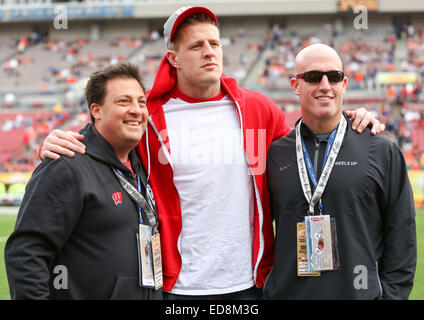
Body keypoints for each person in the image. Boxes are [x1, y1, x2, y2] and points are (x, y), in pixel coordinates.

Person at [39, 7, 384, 299]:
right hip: (175, 288)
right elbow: (104, 142)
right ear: (173, 58)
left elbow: (310, 149)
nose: (209, 52)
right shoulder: (149, 118)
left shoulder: (258, 109)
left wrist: (350, 120)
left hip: (251, 285)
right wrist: (60, 139)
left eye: (214, 44)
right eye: (197, 46)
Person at [264, 44, 416, 299]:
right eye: (313, 77)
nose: (325, 85)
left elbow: (402, 237)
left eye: (333, 76)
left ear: (344, 84)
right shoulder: (276, 153)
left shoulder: (381, 149)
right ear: (295, 85)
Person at [5, 63, 162, 300]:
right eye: (123, 102)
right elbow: (27, 253)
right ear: (96, 110)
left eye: (141, 102)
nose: (136, 110)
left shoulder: (143, 164)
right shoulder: (66, 165)